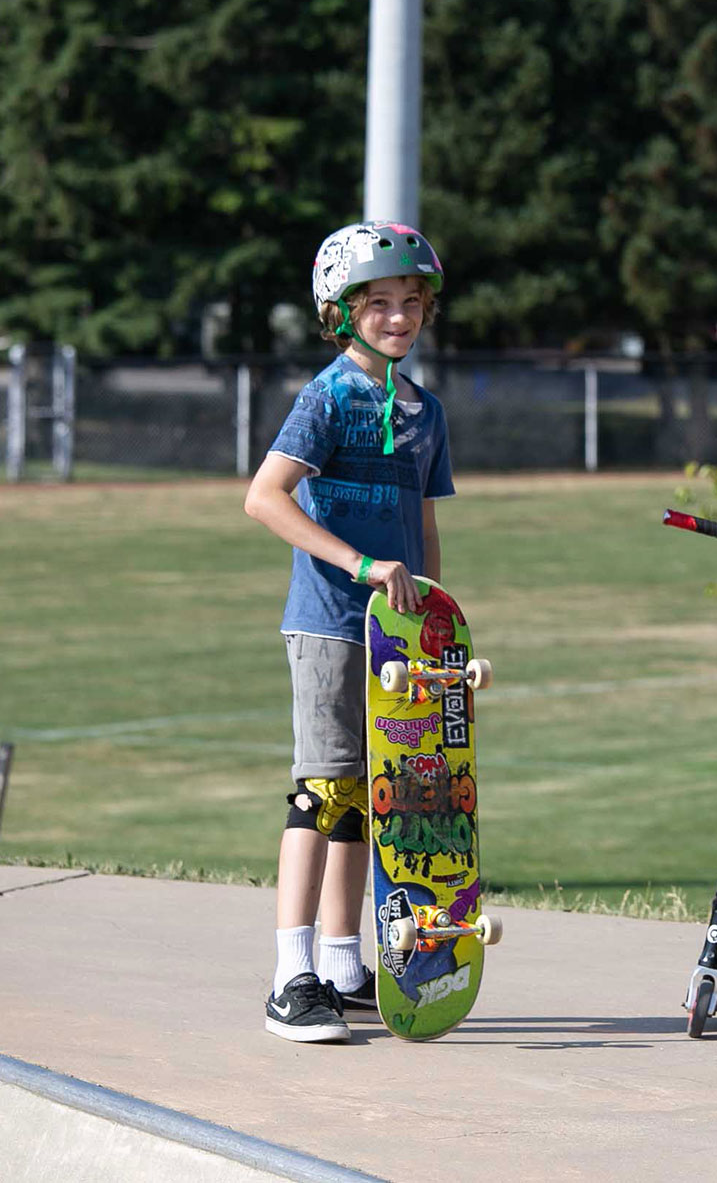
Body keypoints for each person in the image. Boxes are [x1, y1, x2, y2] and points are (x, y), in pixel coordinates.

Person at [244, 221, 454, 1042]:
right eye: (378, 305)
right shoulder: (327, 396)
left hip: (397, 636)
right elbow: (266, 497)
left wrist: (436, 612)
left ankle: (340, 961)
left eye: (410, 302)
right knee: (322, 789)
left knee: (370, 797)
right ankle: (289, 974)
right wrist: (360, 564)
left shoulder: (425, 409)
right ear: (342, 314)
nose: (397, 316)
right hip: (331, 622)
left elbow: (423, 528)